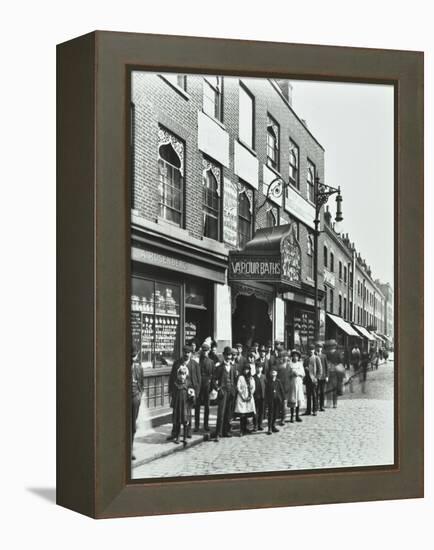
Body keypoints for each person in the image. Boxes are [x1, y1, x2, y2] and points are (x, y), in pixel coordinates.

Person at [168, 345, 201, 439]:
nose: (187, 354)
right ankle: (175, 432)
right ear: (182, 353)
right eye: (185, 352)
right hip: (178, 391)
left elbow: (198, 380)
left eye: (188, 353)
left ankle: (188, 432)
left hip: (190, 392)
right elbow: (172, 377)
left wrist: (196, 393)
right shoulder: (177, 363)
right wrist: (171, 391)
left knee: (188, 412)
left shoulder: (195, 364)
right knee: (177, 412)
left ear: (191, 354)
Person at [212, 346, 237, 441]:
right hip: (223, 392)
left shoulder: (234, 367)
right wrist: (218, 388)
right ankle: (218, 433)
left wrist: (234, 389)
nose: (229, 357)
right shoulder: (219, 367)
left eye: (230, 355)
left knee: (229, 413)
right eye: (227, 355)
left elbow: (235, 380)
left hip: (231, 392)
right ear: (223, 355)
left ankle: (226, 431)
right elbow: (213, 380)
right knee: (221, 413)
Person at [170, 366, 195, 445]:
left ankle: (184, 437)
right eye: (180, 374)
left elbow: (191, 392)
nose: (182, 376)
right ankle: (177, 437)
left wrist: (191, 395)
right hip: (177, 405)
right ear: (178, 375)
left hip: (185, 405)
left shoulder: (188, 383)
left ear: (186, 375)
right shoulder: (175, 383)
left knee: (185, 421)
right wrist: (173, 404)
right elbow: (173, 394)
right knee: (177, 422)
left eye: (184, 374)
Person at [194, 343, 215, 432]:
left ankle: (206, 424)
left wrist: (212, 386)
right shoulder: (197, 361)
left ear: (209, 351)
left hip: (207, 384)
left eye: (206, 351)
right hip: (198, 384)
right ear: (201, 351)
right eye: (203, 350)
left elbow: (213, 375)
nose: (205, 352)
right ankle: (197, 425)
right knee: (197, 405)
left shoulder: (211, 362)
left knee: (207, 406)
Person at [234, 363, 256, 436]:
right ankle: (241, 429)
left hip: (249, 397)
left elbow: (253, 387)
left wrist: (250, 395)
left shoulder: (251, 378)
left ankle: (246, 428)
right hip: (242, 397)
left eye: (247, 370)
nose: (246, 371)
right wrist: (242, 396)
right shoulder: (240, 377)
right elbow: (238, 387)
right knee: (242, 414)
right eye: (245, 370)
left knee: (247, 414)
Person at [131, 345, 144, 460]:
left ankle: (130, 449)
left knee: (132, 424)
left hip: (135, 398)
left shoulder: (139, 368)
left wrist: (139, 396)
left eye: (134, 355)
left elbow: (142, 383)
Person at [265, 365, 285, 435]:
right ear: (270, 373)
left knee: (275, 413)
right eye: (272, 372)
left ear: (276, 373)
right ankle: (269, 428)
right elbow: (266, 392)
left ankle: (273, 426)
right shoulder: (268, 382)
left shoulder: (278, 381)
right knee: (270, 413)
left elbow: (281, 390)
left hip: (277, 400)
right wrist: (266, 400)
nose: (273, 373)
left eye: (275, 372)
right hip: (271, 400)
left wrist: (283, 398)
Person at [303, 344, 321, 416]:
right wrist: (305, 368)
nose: (311, 351)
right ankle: (308, 410)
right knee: (308, 395)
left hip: (314, 379)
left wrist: (317, 378)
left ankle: (315, 410)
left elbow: (320, 369)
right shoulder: (306, 358)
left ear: (314, 350)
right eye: (310, 349)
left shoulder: (316, 358)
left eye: (312, 349)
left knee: (314, 395)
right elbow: (303, 366)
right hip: (307, 379)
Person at [288, 349, 305, 423]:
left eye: (297, 356)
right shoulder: (290, 364)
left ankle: (297, 416)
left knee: (298, 398)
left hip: (298, 382)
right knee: (293, 399)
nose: (295, 358)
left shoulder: (300, 364)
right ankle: (292, 416)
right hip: (292, 383)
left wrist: (298, 373)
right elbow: (287, 374)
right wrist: (292, 374)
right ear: (292, 357)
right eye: (294, 356)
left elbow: (303, 373)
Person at [276, 351, 291, 425]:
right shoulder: (279, 366)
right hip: (279, 386)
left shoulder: (289, 366)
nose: (285, 358)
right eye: (283, 356)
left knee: (284, 403)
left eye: (286, 356)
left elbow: (290, 376)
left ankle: (283, 418)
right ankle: (279, 416)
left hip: (286, 387)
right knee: (279, 402)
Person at [253, 359, 267, 431]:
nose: (259, 369)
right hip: (255, 397)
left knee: (261, 411)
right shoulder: (253, 377)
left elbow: (266, 386)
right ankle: (255, 425)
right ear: (255, 368)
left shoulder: (264, 377)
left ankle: (260, 424)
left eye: (260, 367)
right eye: (258, 367)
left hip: (262, 396)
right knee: (255, 411)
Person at [315, 342, 329, 412]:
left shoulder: (324, 356)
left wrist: (327, 376)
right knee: (316, 392)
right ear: (316, 348)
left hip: (323, 376)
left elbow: (326, 367)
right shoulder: (314, 356)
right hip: (316, 377)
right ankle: (316, 406)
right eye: (318, 347)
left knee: (322, 392)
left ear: (322, 348)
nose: (319, 349)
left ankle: (322, 406)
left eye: (320, 347)